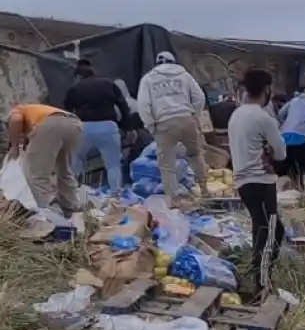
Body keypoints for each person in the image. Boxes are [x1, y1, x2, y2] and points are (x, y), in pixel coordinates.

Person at [228, 69, 287, 299]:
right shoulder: (264, 118)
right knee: (270, 231)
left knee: (262, 228)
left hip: (243, 181)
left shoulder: (237, 115)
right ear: (266, 90)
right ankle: (261, 284)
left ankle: (258, 277)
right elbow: (281, 153)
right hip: (261, 181)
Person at [136, 51, 209, 203]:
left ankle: (174, 199)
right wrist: (193, 114)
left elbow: (143, 104)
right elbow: (199, 97)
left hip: (164, 124)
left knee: (166, 164)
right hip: (186, 119)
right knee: (195, 155)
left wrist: (150, 125)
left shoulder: (148, 79)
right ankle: (204, 190)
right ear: (173, 62)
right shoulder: (184, 75)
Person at [64, 59, 132, 193]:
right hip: (108, 127)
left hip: (83, 128)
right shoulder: (108, 84)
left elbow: (67, 111)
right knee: (113, 164)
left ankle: (77, 191)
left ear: (78, 76)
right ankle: (116, 196)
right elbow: (123, 106)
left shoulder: (75, 88)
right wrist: (126, 126)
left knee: (77, 159)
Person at [7, 104, 83, 215]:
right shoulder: (36, 112)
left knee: (36, 174)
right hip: (74, 124)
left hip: (50, 125)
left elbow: (16, 119)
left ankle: (48, 213)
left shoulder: (17, 110)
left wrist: (14, 146)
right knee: (64, 170)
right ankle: (72, 208)